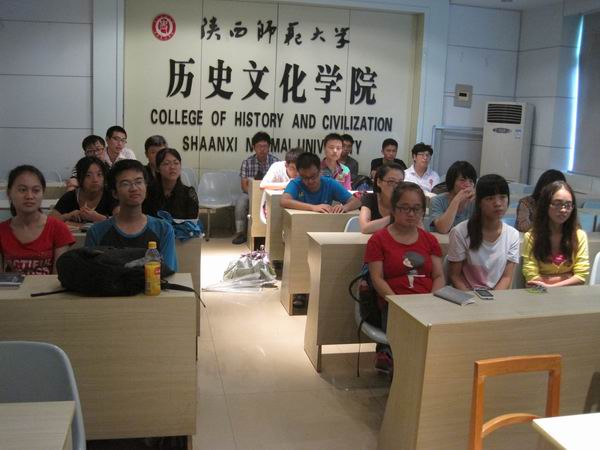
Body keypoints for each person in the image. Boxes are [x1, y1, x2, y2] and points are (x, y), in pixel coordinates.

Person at [364, 182, 444, 373]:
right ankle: (395, 363)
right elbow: (377, 278)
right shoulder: (378, 240)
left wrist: (432, 300)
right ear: (393, 209)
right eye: (404, 208)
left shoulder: (429, 240)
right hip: (394, 304)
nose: (411, 214)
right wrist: (397, 303)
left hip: (427, 301)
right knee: (408, 344)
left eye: (416, 209)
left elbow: (439, 275)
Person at [85, 159, 177, 271]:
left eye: (138, 182)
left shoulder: (163, 230)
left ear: (146, 188)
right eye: (125, 184)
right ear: (114, 193)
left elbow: (168, 273)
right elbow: (91, 274)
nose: (134, 188)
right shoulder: (96, 232)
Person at [447, 174, 520, 291]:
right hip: (467, 295)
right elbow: (455, 276)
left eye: (502, 197)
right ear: (479, 202)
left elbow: (506, 277)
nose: (498, 203)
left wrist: (493, 298)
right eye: (490, 198)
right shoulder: (460, 232)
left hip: (496, 296)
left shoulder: (513, 235)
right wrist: (471, 298)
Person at [0, 165, 74, 274]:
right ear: (9, 193)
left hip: (47, 285)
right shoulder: (2, 230)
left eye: (36, 190)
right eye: (22, 190)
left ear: (42, 193)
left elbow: (57, 277)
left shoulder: (58, 228)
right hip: (12, 286)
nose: (29, 196)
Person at [522, 181, 589, 287]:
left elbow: (581, 276)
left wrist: (551, 285)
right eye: (557, 204)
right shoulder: (531, 237)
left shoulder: (579, 236)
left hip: (569, 293)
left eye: (568, 205)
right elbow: (532, 278)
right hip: (540, 293)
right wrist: (568, 276)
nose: (563, 210)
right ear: (545, 205)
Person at [233, 131, 279, 245]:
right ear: (253, 147)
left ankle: (274, 234)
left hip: (270, 193)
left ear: (269, 147)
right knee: (241, 202)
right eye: (259, 146)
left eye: (265, 146)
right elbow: (244, 185)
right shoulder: (247, 163)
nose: (262, 149)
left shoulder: (276, 163)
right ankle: (240, 233)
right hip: (250, 193)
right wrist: (254, 195)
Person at [281, 152, 361, 213]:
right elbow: (284, 201)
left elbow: (356, 202)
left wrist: (344, 207)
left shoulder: (329, 183)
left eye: (313, 176)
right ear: (299, 174)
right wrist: (313, 207)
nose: (310, 181)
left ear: (320, 171)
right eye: (305, 178)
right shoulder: (296, 183)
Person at [50, 156, 116, 223]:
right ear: (80, 178)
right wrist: (68, 216)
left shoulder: (111, 195)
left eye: (99, 174)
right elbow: (50, 221)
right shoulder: (70, 196)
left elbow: (121, 220)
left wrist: (99, 218)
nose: (95, 180)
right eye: (88, 175)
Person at [143, 148, 199, 219]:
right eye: (166, 163)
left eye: (176, 163)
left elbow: (192, 221)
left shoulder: (189, 193)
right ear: (157, 168)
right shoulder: (148, 192)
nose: (172, 167)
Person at [430, 161, 477, 234]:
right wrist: (457, 199)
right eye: (462, 180)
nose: (467, 185)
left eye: (471, 181)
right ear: (452, 181)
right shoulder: (437, 200)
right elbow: (443, 229)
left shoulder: (474, 202)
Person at [258, 148, 302, 225]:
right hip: (274, 205)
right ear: (286, 165)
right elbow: (262, 185)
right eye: (293, 168)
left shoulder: (306, 170)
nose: (297, 173)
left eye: (299, 169)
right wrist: (287, 184)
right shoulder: (277, 167)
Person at [358, 163, 404, 234]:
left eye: (400, 182)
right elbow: (364, 228)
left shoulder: (406, 201)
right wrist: (393, 217)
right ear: (379, 182)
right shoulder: (369, 198)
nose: (396, 186)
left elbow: (418, 229)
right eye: (391, 181)